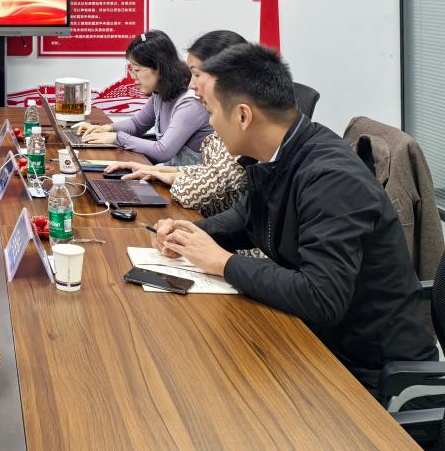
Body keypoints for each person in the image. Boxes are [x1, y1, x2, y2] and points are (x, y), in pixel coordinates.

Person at [151, 44, 437, 389]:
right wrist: (187, 234)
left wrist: (223, 263)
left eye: (211, 111)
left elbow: (321, 296)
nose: (210, 125)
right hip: (316, 343)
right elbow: (246, 219)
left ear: (243, 116)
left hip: (370, 370)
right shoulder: (281, 155)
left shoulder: (332, 178)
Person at [107, 30, 247, 216]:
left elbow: (191, 192)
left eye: (197, 75)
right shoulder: (218, 134)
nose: (191, 85)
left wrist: (161, 173)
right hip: (214, 221)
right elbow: (208, 172)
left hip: (215, 222)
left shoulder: (234, 127)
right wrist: (154, 170)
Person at [80, 30, 212, 164]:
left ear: (159, 68)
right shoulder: (160, 93)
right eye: (132, 70)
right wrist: (107, 128)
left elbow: (163, 151)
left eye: (137, 70)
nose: (133, 77)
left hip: (189, 176)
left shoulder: (190, 104)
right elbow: (137, 125)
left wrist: (116, 138)